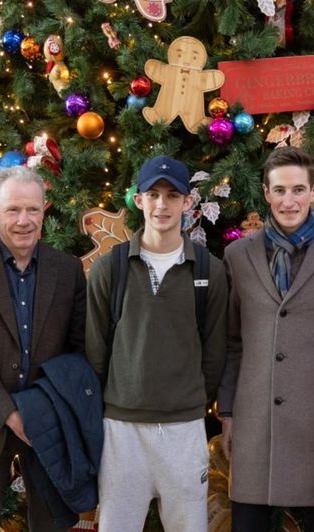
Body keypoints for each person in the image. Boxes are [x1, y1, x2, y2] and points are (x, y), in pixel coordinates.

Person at [218, 146, 314, 532]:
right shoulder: (238, 255)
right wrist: (228, 412)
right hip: (254, 423)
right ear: (266, 193)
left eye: (298, 190)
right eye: (279, 190)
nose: (289, 201)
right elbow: (233, 341)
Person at [86, 155, 228, 532]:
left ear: (187, 203)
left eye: (172, 195)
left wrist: (192, 397)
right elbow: (95, 351)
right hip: (121, 429)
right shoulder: (109, 268)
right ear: (138, 200)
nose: (162, 205)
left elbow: (215, 350)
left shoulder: (209, 270)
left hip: (184, 429)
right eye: (153, 194)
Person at [0, 166, 87, 532]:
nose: (23, 221)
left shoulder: (68, 271)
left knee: (50, 525)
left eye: (33, 210)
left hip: (50, 424)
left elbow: (78, 349)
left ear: (45, 210)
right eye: (12, 210)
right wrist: (11, 413)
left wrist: (41, 410)